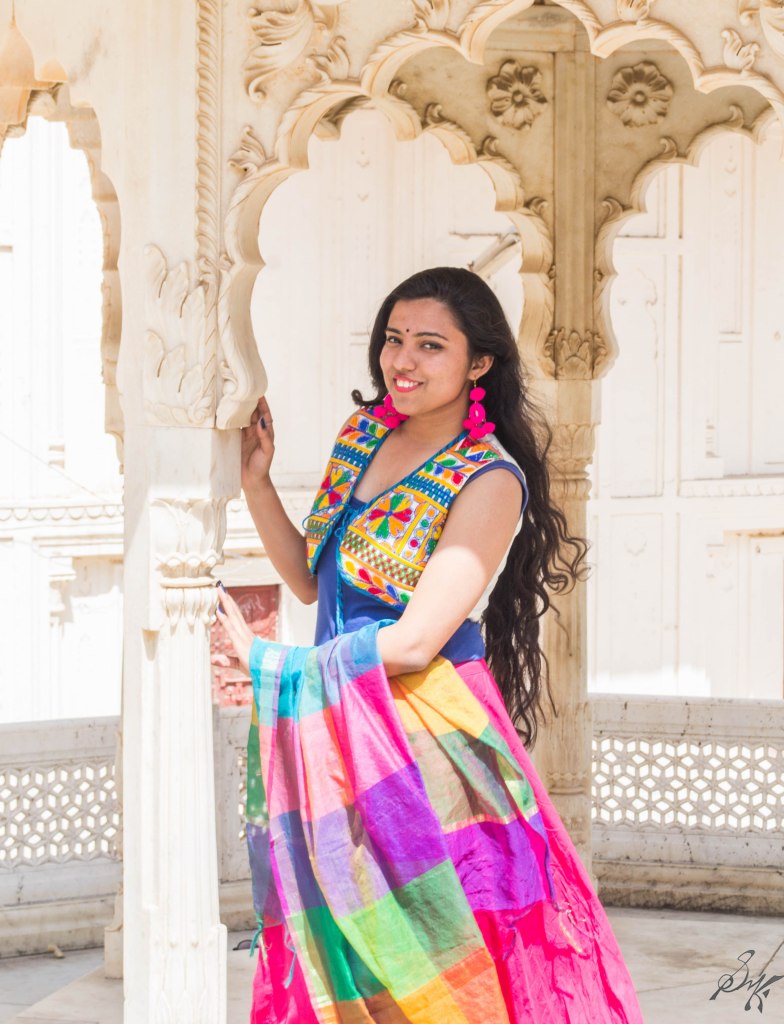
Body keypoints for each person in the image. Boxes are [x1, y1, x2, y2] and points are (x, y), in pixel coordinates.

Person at [217, 267, 643, 1023]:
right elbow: (313, 584)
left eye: (430, 345)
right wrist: (257, 484)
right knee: (350, 954)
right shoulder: (363, 435)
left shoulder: (487, 477)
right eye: (394, 339)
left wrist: (268, 663)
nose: (402, 361)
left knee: (430, 961)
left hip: (425, 738)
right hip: (340, 723)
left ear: (480, 362)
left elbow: (414, 644)